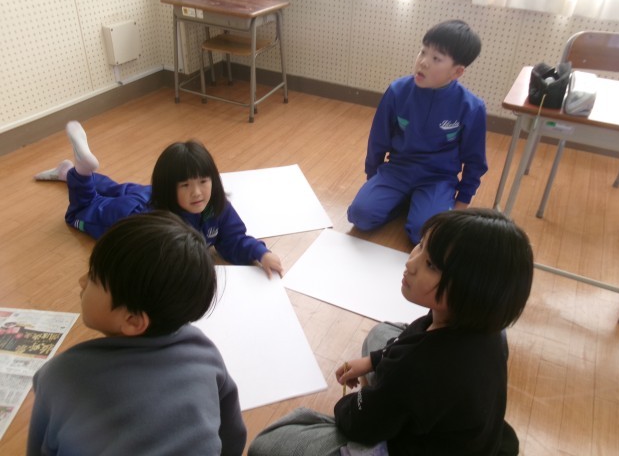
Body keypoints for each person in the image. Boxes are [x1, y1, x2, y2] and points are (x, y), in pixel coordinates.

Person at [248, 208, 533, 456]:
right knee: (383, 333)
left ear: (470, 290)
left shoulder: (419, 368)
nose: (411, 263)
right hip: (463, 433)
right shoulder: (487, 327)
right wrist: (373, 361)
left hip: (408, 443)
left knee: (269, 444)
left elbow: (361, 423)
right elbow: (413, 339)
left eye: (431, 265)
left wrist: (347, 405)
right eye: (420, 245)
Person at [27, 211, 247, 455]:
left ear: (133, 321)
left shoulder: (60, 376)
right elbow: (233, 434)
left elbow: (40, 450)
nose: (81, 281)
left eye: (93, 278)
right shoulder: (203, 350)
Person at [35, 121, 283, 278]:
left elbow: (234, 238)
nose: (197, 192)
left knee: (114, 187)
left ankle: (70, 171)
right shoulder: (153, 224)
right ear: (170, 187)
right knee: (83, 209)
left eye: (203, 182)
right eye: (186, 185)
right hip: (131, 212)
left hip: (149, 193)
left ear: (214, 180)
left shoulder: (216, 207)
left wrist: (260, 253)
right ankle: (80, 172)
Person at [348, 20, 488, 244]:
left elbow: (475, 161)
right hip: (396, 171)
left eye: (436, 58)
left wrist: (461, 204)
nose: (423, 62)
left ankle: (416, 205)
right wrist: (373, 179)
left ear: (457, 71)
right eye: (423, 51)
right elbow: (378, 140)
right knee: (359, 215)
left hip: (438, 179)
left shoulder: (472, 107)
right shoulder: (397, 91)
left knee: (423, 234)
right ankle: (405, 202)